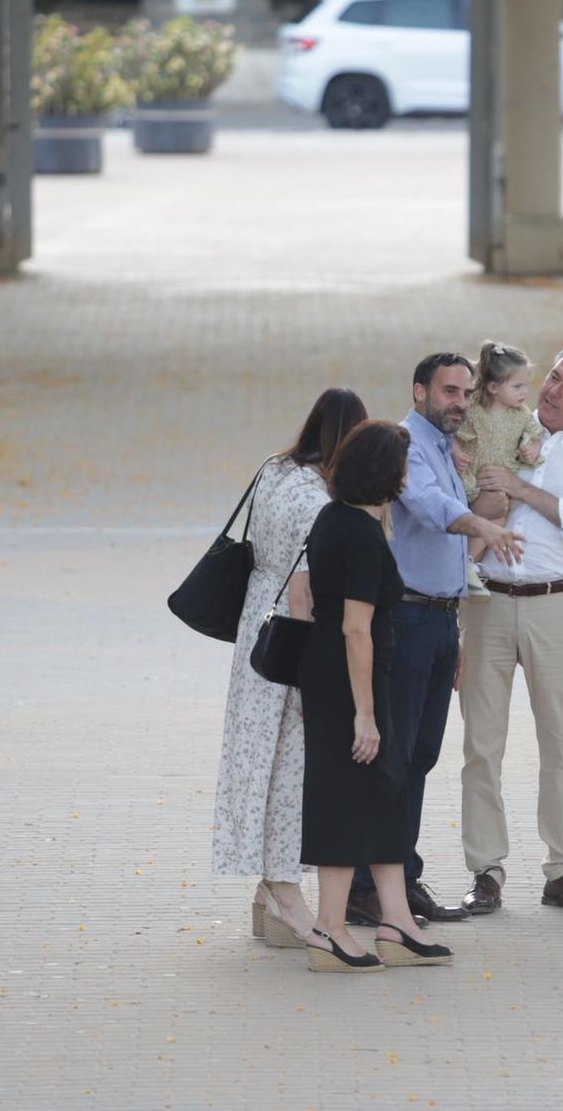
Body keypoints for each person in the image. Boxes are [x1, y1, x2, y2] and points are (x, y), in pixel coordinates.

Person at [346, 353, 523, 929]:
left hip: (441, 619)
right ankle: (366, 886)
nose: (459, 402)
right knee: (393, 758)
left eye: (467, 393)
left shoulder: (446, 446)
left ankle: (400, 875)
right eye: (449, 391)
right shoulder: (404, 445)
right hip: (407, 620)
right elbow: (429, 508)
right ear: (418, 389)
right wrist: (485, 525)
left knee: (420, 756)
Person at [460, 346, 563, 915]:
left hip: (556, 603)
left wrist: (521, 488)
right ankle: (485, 869)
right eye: (552, 378)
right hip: (487, 599)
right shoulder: (499, 426)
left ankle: (562, 868)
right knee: (481, 742)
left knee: (561, 741)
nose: (552, 391)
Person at [299, 419, 455, 972]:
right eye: (405, 467)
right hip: (350, 687)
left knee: (386, 792)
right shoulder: (361, 536)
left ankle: (397, 923)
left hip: (347, 681)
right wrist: (365, 714)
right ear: (386, 473)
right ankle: (330, 928)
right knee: (346, 799)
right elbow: (354, 629)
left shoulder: (334, 518)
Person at [215, 387, 366, 948]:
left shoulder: (274, 470)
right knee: (291, 768)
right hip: (291, 639)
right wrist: (311, 677)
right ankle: (284, 890)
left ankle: (267, 892)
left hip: (257, 626)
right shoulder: (316, 501)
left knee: (260, 760)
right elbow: (305, 591)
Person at [454, 340, 545, 596]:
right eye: (517, 386)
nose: (524, 392)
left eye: (525, 385)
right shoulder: (474, 411)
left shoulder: (522, 414)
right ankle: (464, 565)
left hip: (499, 483)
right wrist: (456, 451)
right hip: (472, 478)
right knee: (493, 514)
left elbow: (536, 435)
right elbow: (455, 435)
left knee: (499, 516)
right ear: (493, 387)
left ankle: (468, 564)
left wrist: (533, 448)